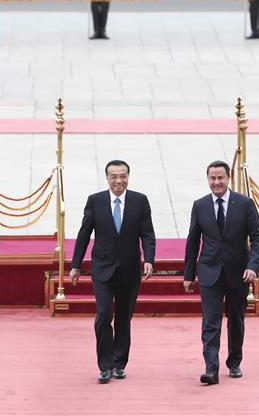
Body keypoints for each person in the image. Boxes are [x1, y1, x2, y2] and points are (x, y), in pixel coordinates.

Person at [69, 160, 156, 384]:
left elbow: (147, 234)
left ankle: (119, 363)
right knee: (105, 313)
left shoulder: (139, 201)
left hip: (129, 269)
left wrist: (149, 259)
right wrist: (76, 265)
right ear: (107, 178)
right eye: (114, 176)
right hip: (103, 269)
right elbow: (84, 234)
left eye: (123, 176)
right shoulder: (95, 201)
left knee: (124, 318)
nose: (119, 181)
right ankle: (104, 365)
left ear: (128, 177)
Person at [184, 160, 259, 385]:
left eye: (220, 178)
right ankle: (211, 369)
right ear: (207, 179)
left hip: (239, 273)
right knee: (210, 322)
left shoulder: (245, 204)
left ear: (228, 179)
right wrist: (188, 275)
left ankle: (234, 362)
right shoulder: (200, 205)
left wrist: (253, 266)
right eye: (212, 178)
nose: (216, 182)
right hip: (209, 272)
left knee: (236, 320)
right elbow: (192, 241)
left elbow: (257, 237)